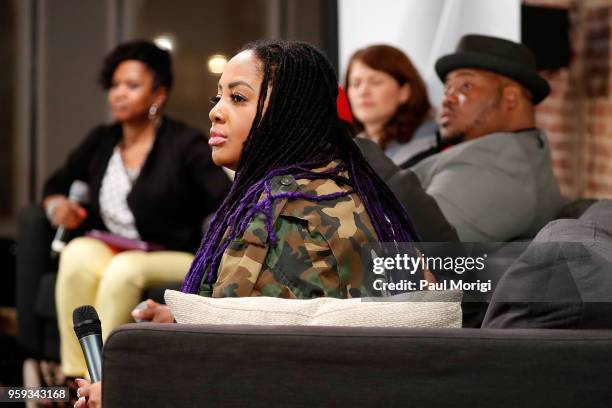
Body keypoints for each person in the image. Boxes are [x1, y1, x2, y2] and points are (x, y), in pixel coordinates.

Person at [74, 39, 426, 407]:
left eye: (237, 99)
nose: (216, 112)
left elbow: (231, 366)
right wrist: (185, 319)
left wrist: (126, 391)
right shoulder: (324, 188)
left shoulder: (285, 214)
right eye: (218, 98)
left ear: (286, 114)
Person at [46, 40, 231, 384]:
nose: (119, 94)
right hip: (112, 245)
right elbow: (55, 185)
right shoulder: (102, 140)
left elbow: (227, 199)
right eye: (115, 85)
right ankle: (74, 377)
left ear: (158, 95)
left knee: (122, 270)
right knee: (75, 253)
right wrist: (59, 207)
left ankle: (104, 380)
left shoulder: (184, 143)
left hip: (176, 252)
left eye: (131, 86)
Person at [358, 34, 564, 242]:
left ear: (510, 97)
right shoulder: (511, 148)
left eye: (466, 86)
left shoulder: (498, 162)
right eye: (448, 88)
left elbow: (418, 243)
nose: (447, 98)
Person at [345, 44, 434, 166]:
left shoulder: (429, 148)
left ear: (404, 92)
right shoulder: (345, 149)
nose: (363, 92)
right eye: (356, 84)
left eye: (376, 82)